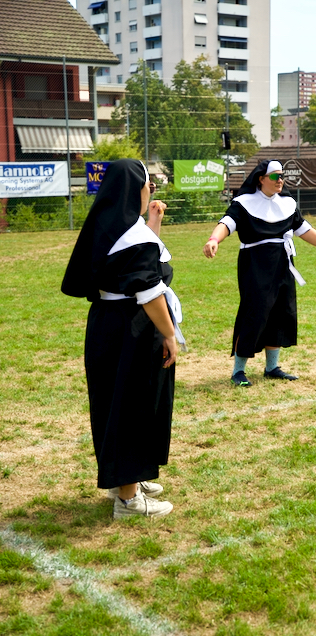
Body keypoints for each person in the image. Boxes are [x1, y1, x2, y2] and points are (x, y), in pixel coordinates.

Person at [62, 158, 182, 519]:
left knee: (114, 404)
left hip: (105, 323)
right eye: (149, 186)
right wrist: (170, 334)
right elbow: (149, 293)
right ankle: (129, 500)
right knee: (134, 406)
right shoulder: (132, 237)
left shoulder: (106, 225)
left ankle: (126, 479)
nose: (150, 193)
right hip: (133, 328)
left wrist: (154, 223)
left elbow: (134, 266)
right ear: (135, 189)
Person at [203, 159, 316, 387]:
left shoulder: (287, 204)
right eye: (274, 176)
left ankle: (272, 367)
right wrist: (214, 239)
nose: (280, 180)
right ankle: (238, 371)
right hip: (256, 265)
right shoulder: (243, 203)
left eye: (282, 176)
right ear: (261, 179)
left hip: (283, 264)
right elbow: (227, 223)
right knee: (255, 312)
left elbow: (306, 230)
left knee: (281, 312)